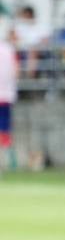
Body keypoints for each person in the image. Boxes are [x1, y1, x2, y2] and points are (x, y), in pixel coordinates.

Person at [0, 25, 16, 171]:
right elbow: (15, 71)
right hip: (6, 95)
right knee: (5, 128)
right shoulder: (9, 49)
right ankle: (10, 161)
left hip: (4, 95)